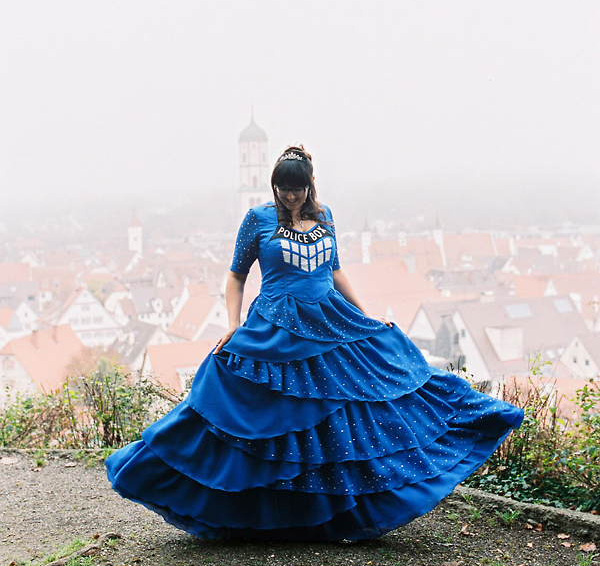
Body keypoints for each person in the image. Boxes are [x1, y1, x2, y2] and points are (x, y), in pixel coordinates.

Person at [106, 145, 524, 541]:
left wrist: (364, 314)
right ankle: (173, 478)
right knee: (245, 410)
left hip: (329, 321)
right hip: (274, 326)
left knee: (354, 406)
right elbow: (236, 276)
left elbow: (336, 272)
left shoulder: (325, 216)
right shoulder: (257, 219)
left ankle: (341, 511)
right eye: (283, 188)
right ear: (274, 187)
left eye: (297, 188)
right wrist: (232, 325)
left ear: (309, 185)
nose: (290, 196)